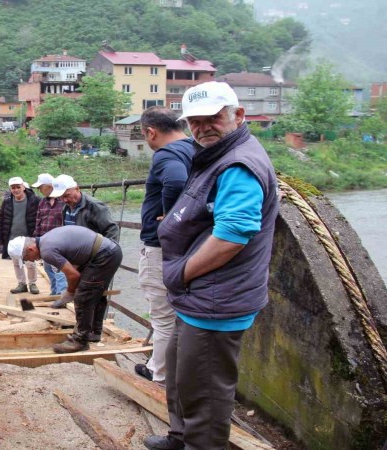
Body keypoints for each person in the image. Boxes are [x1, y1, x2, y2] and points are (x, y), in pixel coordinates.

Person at [143, 81, 279, 450]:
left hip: (216, 299)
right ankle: (179, 437)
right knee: (181, 373)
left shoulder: (238, 165)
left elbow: (232, 236)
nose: (203, 128)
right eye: (195, 121)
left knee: (205, 391)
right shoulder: (216, 154)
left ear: (238, 115)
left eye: (213, 118)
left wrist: (180, 272)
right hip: (198, 296)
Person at [134, 106, 194, 385]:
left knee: (162, 314)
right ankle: (171, 369)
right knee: (181, 311)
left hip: (160, 247)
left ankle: (159, 374)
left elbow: (176, 181)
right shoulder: (196, 149)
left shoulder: (166, 154)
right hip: (190, 245)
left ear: (151, 132)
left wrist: (171, 215)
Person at [8, 225, 122, 353]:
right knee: (94, 292)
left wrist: (70, 292)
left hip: (104, 255)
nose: (31, 260)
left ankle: (80, 341)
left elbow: (73, 275)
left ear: (30, 249)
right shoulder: (46, 240)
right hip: (107, 252)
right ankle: (93, 332)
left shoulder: (47, 251)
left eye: (27, 258)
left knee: (83, 296)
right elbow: (74, 266)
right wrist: (75, 287)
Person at [0, 177, 40, 295]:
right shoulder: (7, 202)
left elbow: (39, 217)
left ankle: (32, 283)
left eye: (18, 187)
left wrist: (37, 234)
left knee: (30, 262)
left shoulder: (34, 200)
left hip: (28, 237)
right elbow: (1, 219)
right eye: (13, 188)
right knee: (16, 262)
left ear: (23, 187)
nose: (16, 190)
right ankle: (21, 283)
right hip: (12, 237)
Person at [50, 174, 119, 241]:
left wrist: (105, 248)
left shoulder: (94, 207)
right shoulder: (66, 208)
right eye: (60, 197)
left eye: (67, 195)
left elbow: (111, 229)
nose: (64, 200)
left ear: (77, 189)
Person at [31, 173, 68, 298]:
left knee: (59, 267)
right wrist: (36, 239)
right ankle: (54, 290)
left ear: (49, 186)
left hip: (60, 241)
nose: (39, 190)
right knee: (48, 268)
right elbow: (38, 220)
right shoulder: (42, 202)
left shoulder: (63, 201)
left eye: (41, 187)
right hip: (45, 240)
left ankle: (61, 294)